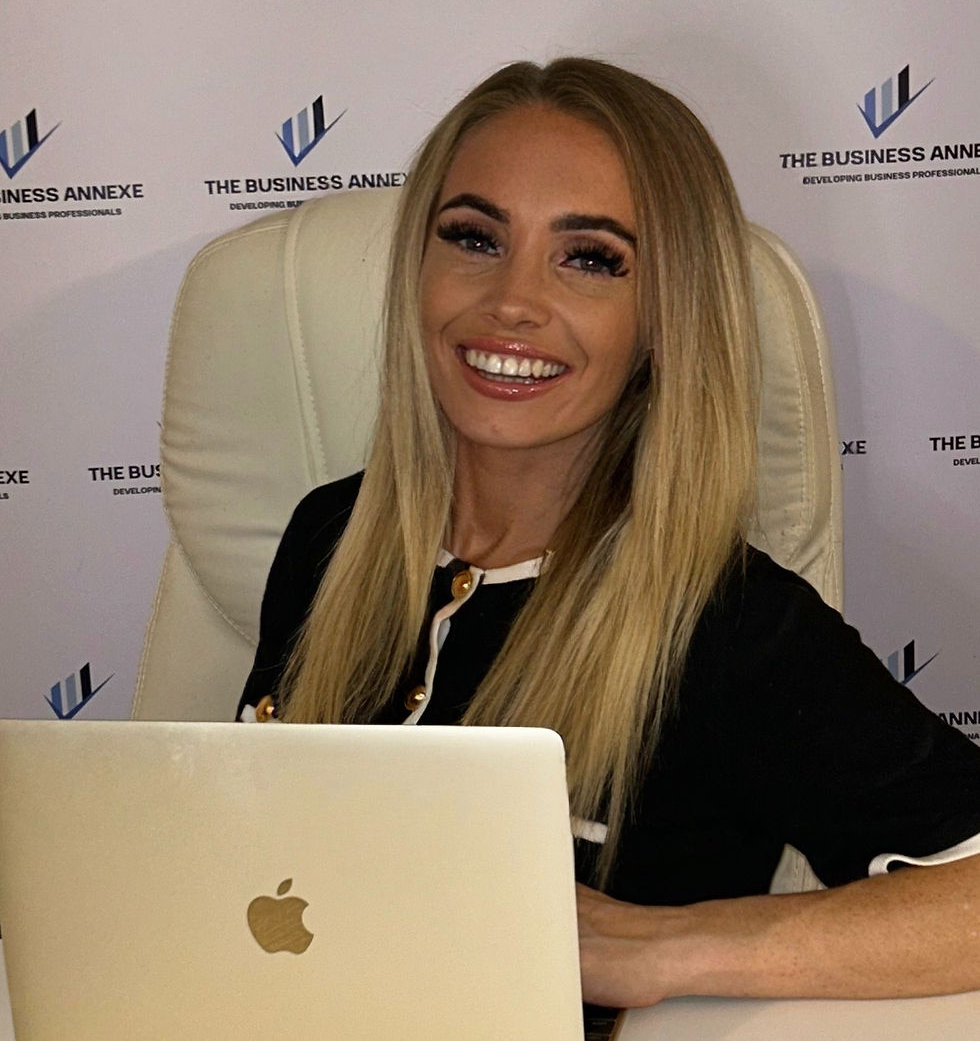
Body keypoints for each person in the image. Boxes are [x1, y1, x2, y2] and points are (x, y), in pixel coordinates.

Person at [238, 58, 980, 1007]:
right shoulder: (326, 538)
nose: (512, 300)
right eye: (473, 237)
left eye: (589, 258)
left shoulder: (725, 624)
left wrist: (666, 949)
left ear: (665, 315)